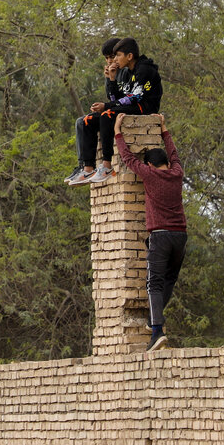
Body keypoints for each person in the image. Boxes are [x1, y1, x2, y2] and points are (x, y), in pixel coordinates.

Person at [115, 112, 187, 351]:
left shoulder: (149, 174)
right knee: (169, 279)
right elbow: (174, 153)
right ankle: (153, 321)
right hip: (180, 235)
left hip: (160, 236)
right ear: (166, 162)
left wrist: (117, 132)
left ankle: (157, 331)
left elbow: (127, 159)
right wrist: (164, 129)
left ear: (150, 165)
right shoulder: (176, 173)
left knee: (153, 283)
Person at [69, 37, 162, 185]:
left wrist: (107, 106)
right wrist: (111, 79)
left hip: (143, 108)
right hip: (132, 105)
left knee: (107, 114)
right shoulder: (129, 71)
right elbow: (118, 98)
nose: (114, 60)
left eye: (117, 55)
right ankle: (87, 168)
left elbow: (134, 97)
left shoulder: (144, 69)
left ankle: (106, 165)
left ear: (129, 56)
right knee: (88, 120)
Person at [64, 37, 124, 184]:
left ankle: (103, 165)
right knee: (81, 121)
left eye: (112, 57)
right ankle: (84, 167)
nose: (110, 61)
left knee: (96, 118)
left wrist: (112, 80)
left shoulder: (126, 72)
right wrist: (109, 79)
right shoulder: (114, 71)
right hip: (113, 109)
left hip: (122, 111)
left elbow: (119, 99)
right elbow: (111, 97)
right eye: (107, 58)